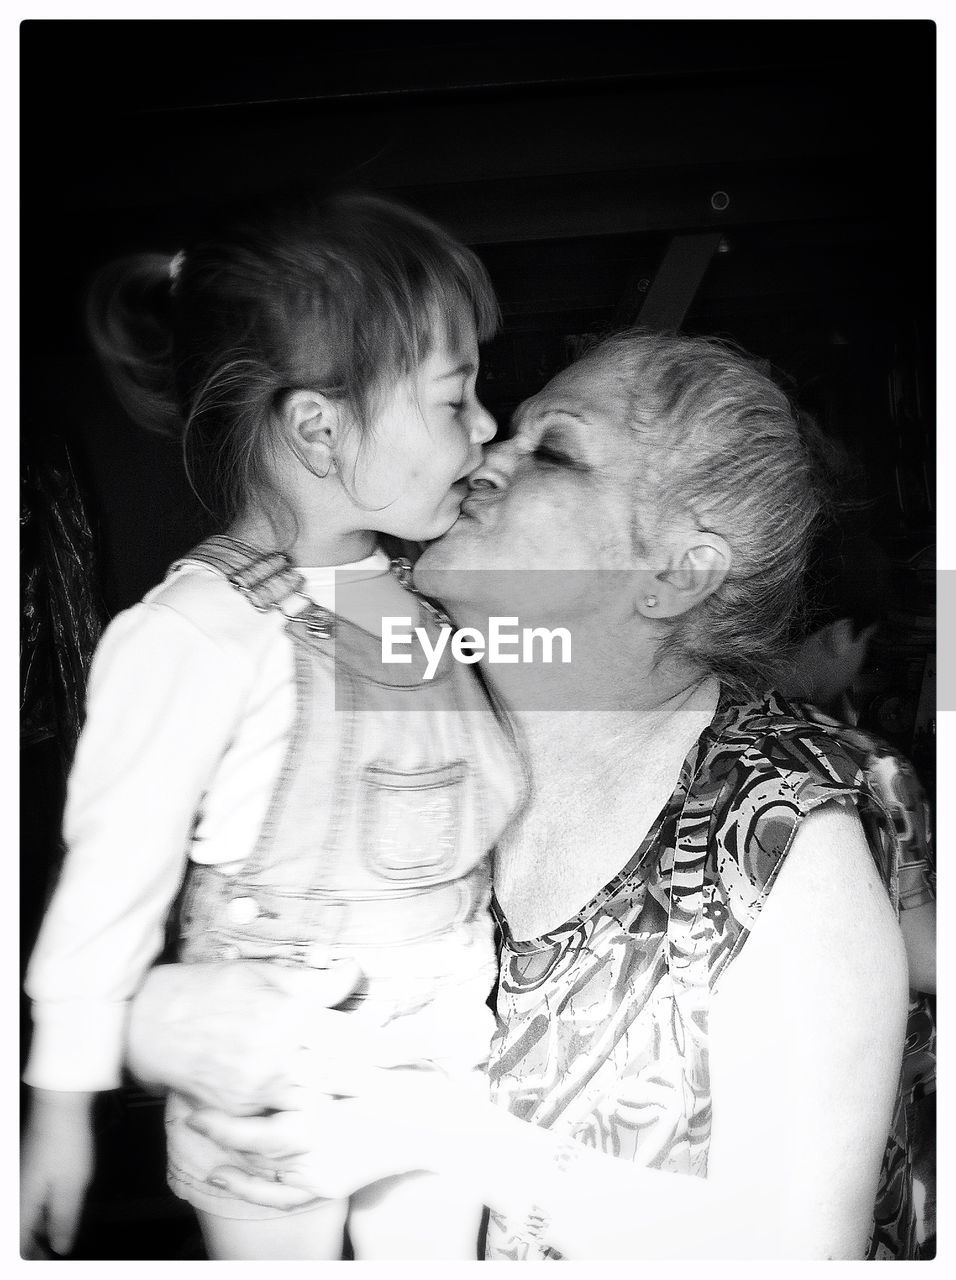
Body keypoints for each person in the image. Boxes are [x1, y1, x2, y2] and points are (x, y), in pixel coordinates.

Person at [123, 329, 918, 1259]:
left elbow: (802, 1255)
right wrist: (151, 1020)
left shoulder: (779, 846)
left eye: (554, 449)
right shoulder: (369, 697)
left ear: (674, 572)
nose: (486, 450)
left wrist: (443, 1137)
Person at [19, 191, 528, 1261]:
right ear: (318, 427)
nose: (486, 425)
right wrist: (60, 1096)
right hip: (272, 1072)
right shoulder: (201, 630)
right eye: (452, 399)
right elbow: (113, 869)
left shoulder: (427, 595)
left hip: (437, 1064)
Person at [776, 520, 936, 1254]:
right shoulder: (869, 767)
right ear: (841, 635)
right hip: (849, 1100)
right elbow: (922, 950)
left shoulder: (686, 731)